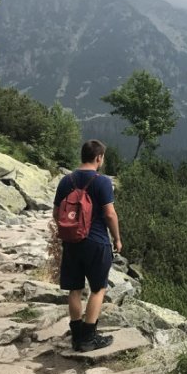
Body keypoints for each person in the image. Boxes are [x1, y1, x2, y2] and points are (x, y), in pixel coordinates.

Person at [53, 139, 123, 351]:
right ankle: (89, 338)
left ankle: (76, 336)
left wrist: (69, 230)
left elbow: (57, 213)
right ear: (98, 158)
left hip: (71, 242)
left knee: (74, 289)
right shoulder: (101, 182)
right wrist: (117, 238)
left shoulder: (66, 181)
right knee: (98, 288)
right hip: (96, 242)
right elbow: (110, 214)